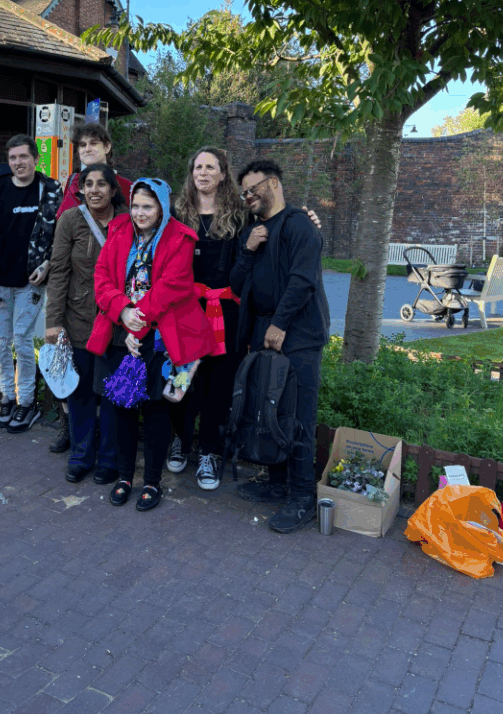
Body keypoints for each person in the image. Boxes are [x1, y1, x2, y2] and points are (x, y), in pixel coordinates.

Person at [88, 178, 217, 511]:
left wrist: (137, 321)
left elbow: (172, 287)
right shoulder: (119, 232)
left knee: (157, 411)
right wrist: (123, 311)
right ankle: (125, 477)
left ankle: (152, 482)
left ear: (162, 206)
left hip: (160, 339)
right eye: (135, 206)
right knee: (122, 409)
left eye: (148, 206)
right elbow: (101, 276)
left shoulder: (181, 238)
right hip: (123, 333)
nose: (140, 213)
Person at [230, 159, 330, 533]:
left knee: (298, 415)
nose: (248, 197)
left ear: (273, 183)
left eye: (252, 189)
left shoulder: (300, 225)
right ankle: (275, 481)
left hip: (298, 336)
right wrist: (247, 248)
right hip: (264, 332)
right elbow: (238, 285)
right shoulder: (253, 231)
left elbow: (303, 280)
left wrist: (279, 324)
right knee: (267, 409)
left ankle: (303, 496)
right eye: (243, 193)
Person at [169, 147, 248, 489]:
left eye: (210, 167)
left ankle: (209, 453)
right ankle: (180, 440)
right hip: (187, 309)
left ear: (222, 173)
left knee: (218, 384)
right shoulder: (177, 213)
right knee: (185, 379)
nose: (202, 172)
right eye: (197, 166)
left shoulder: (240, 215)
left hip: (225, 313)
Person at [51, 121, 132, 454]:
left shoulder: (129, 209)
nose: (87, 148)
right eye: (81, 144)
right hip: (80, 314)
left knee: (114, 391)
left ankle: (111, 454)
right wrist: (53, 321)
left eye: (93, 143)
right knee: (79, 388)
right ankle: (80, 448)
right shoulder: (70, 199)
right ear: (82, 189)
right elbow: (60, 268)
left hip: (117, 319)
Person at [0, 134, 62, 433]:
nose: (17, 163)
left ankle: (27, 403)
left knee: (22, 340)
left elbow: (59, 235)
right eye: (12, 158)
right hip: (0, 281)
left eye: (23, 157)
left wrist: (48, 264)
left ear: (35, 158)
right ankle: (8, 397)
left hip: (31, 282)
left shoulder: (50, 189)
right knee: (1, 342)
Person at [56, 122, 132, 219]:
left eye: (93, 143)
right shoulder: (73, 180)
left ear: (107, 147)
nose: (87, 149)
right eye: (83, 145)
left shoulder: (126, 186)